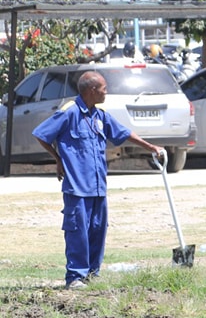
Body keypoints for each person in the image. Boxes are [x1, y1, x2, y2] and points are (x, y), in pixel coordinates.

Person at [33, 70, 164, 288]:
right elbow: (41, 134)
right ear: (92, 90)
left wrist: (150, 147)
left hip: (98, 187)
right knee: (77, 232)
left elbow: (123, 133)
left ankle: (92, 274)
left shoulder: (99, 115)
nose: (106, 92)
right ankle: (75, 277)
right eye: (104, 88)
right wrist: (58, 159)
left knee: (97, 230)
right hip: (77, 187)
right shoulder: (70, 112)